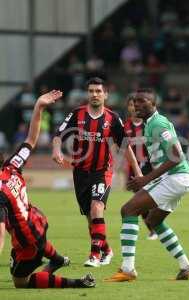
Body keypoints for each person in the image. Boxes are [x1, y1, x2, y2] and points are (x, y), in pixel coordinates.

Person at [0, 90, 95, 288]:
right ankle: (58, 260)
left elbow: (0, 233)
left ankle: (78, 282)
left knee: (20, 282)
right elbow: (31, 139)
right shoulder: (12, 165)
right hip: (38, 220)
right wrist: (39, 106)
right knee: (38, 243)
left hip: (27, 240)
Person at [104, 88, 189, 282]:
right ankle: (186, 267)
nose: (137, 104)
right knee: (153, 221)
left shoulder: (158, 123)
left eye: (143, 101)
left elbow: (176, 156)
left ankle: (128, 269)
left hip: (176, 176)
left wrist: (146, 179)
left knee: (128, 210)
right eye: (135, 101)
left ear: (154, 104)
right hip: (179, 177)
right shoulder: (148, 125)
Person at [52, 77, 141, 267]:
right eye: (91, 91)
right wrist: (56, 150)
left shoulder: (112, 118)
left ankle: (94, 256)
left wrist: (138, 172)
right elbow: (59, 134)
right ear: (87, 94)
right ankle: (106, 250)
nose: (95, 94)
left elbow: (125, 147)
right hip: (80, 172)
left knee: (96, 208)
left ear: (105, 94)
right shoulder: (77, 114)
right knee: (90, 219)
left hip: (102, 171)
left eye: (98, 91)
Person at [124, 94, 157, 240]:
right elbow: (120, 146)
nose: (134, 107)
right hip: (134, 168)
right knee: (139, 199)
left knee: (151, 198)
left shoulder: (148, 124)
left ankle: (155, 225)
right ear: (128, 108)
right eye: (131, 105)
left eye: (135, 104)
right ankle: (152, 228)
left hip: (151, 167)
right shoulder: (125, 126)